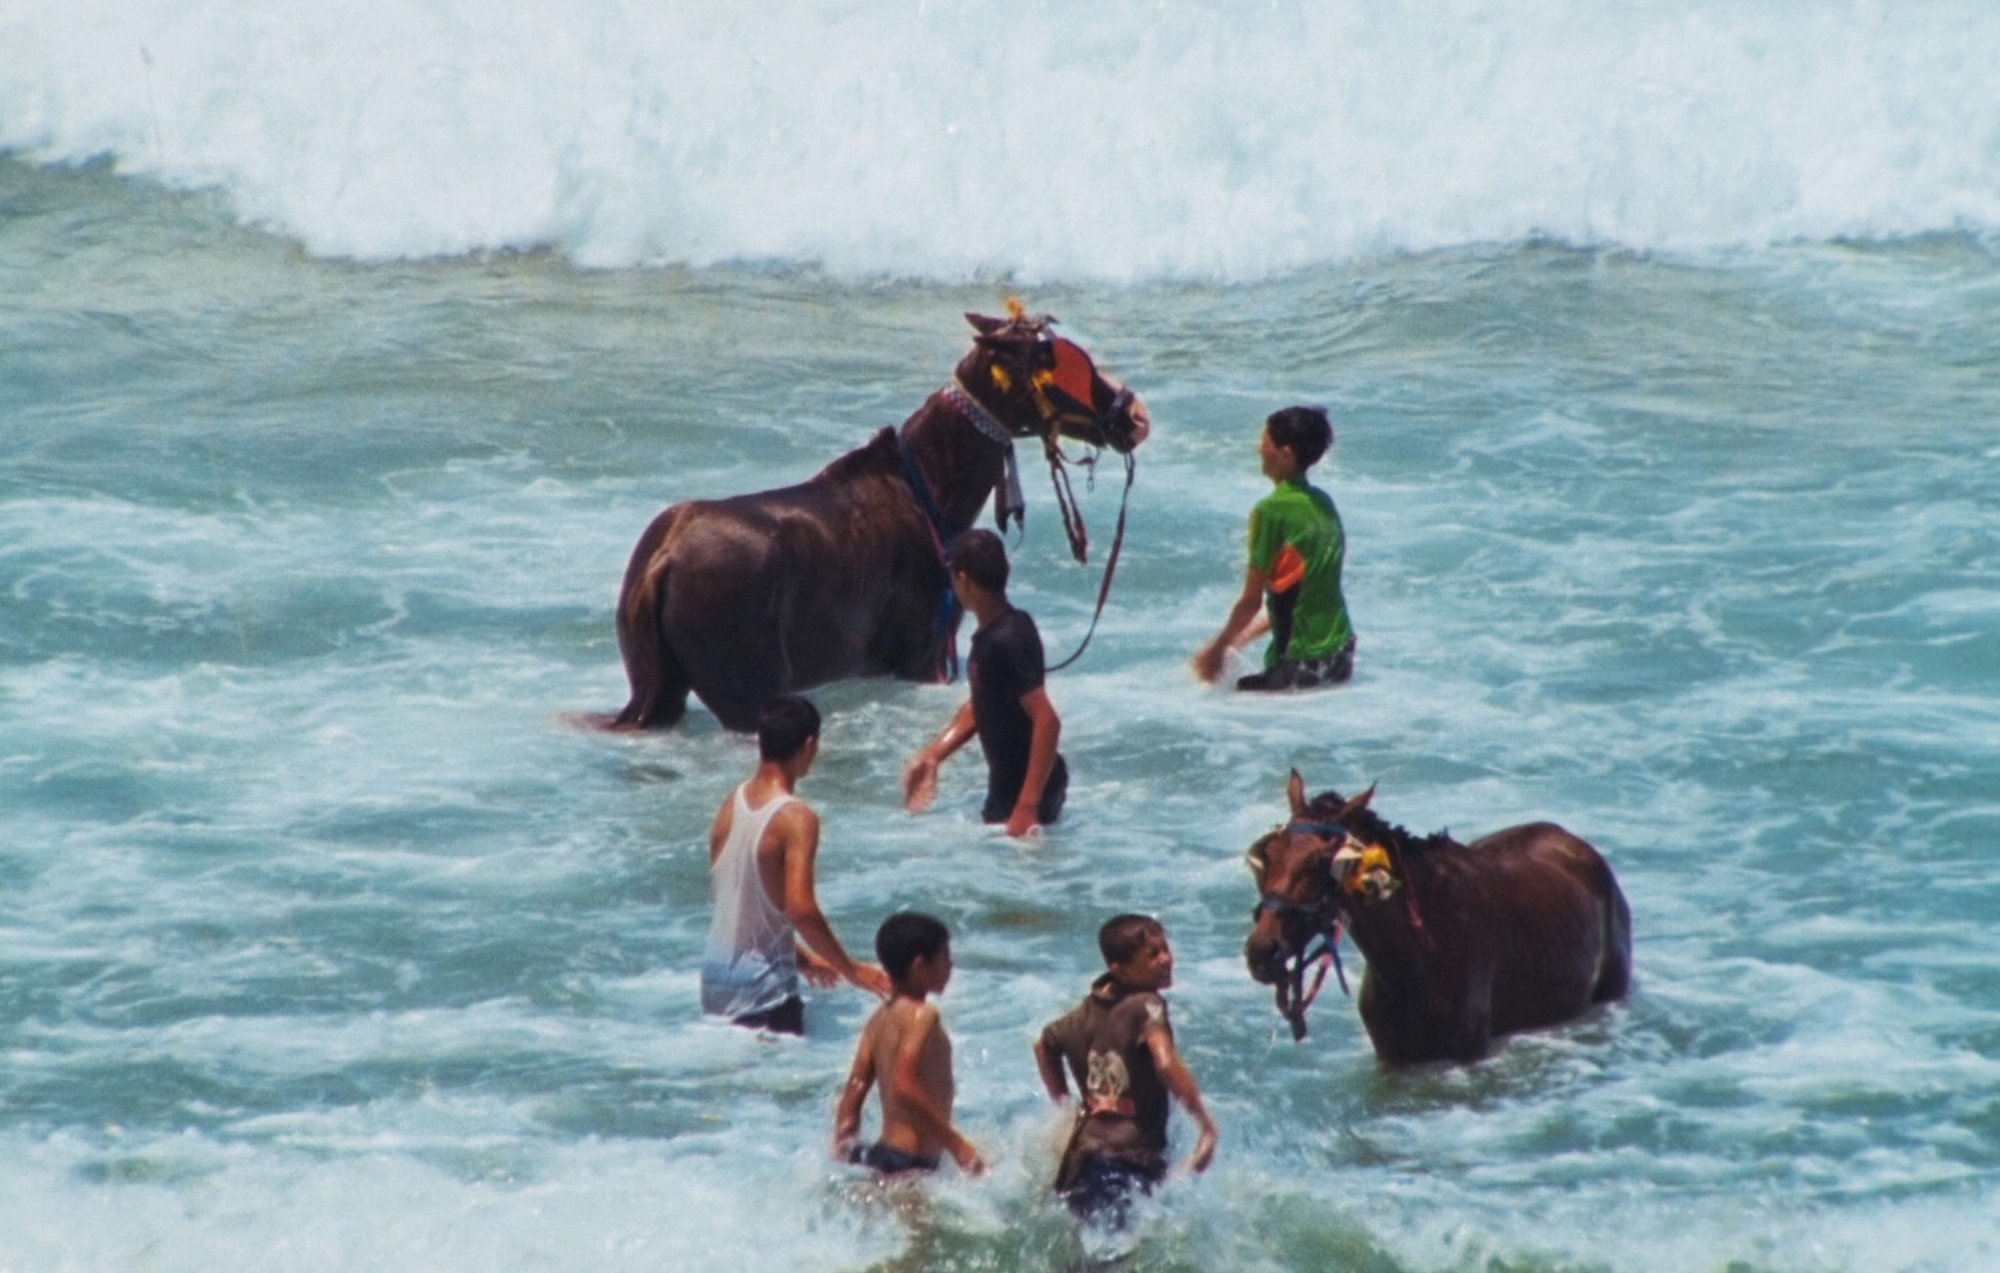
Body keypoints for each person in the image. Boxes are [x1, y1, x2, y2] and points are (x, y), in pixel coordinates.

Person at [701, 694, 889, 1034]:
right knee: (786, 1087)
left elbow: (739, 908)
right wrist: (851, 971)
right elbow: (802, 911)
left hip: (715, 983)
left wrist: (802, 959)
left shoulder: (732, 803)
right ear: (809, 745)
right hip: (763, 990)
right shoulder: (795, 817)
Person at [1033, 914, 1218, 1226]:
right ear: (1118, 968)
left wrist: (1066, 1105)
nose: (1166, 959)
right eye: (1153, 955)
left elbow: (1044, 1045)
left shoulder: (1084, 1013)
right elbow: (1165, 1061)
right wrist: (1205, 1124)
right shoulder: (1148, 1005)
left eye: (1165, 949)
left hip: (1082, 1163)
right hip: (1127, 1164)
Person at [902, 529, 1067, 837]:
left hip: (1024, 794)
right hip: (1011, 789)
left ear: (963, 579)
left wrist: (1027, 806)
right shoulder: (1003, 628)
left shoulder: (1006, 638)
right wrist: (934, 755)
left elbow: (1047, 721)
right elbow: (985, 701)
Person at [1192, 405, 1357, 691]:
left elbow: (1251, 602)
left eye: (1265, 442)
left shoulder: (1271, 511)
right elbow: (1310, 593)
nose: (1259, 449)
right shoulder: (1323, 503)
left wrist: (1215, 651)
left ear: (1285, 454)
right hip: (1341, 657)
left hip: (1302, 664)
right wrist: (1238, 640)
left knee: (1211, 709)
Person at [832, 911, 985, 1178]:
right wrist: (958, 1145)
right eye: (945, 959)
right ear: (919, 966)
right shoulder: (922, 1015)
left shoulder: (878, 1020)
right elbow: (904, 1086)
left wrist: (843, 1145)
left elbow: (854, 1090)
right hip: (911, 1162)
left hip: (879, 1155)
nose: (950, 966)